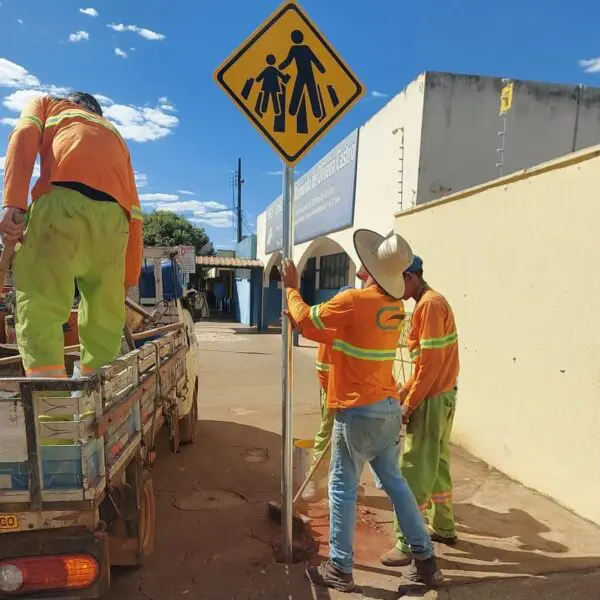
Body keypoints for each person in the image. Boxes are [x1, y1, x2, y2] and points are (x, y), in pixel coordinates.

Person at [281, 230, 442, 593]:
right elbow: (335, 333)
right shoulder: (394, 307)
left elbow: (307, 321)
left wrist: (292, 288)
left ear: (370, 268)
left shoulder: (355, 301)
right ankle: (426, 561)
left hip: (357, 413)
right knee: (397, 486)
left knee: (342, 488)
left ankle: (339, 567)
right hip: (386, 410)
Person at [0, 91, 143, 378]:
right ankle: (97, 396)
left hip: (61, 207)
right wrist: (128, 277)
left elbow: (24, 134)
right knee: (104, 317)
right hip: (114, 222)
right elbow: (135, 211)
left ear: (71, 101)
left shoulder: (48, 103)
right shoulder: (115, 135)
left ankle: (52, 408)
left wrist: (14, 202)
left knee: (40, 304)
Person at [380, 255, 460, 567]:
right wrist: (400, 392)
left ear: (411, 277)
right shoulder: (434, 301)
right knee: (438, 465)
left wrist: (409, 405)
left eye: (399, 281)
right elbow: (425, 365)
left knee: (413, 470)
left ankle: (407, 543)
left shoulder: (429, 306)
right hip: (443, 396)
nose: (396, 288)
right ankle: (443, 527)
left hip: (432, 399)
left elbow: (431, 363)